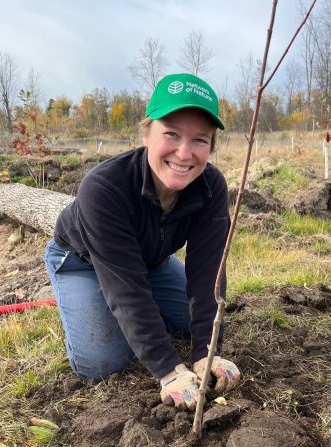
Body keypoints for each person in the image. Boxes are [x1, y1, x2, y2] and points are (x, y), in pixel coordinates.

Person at [44, 73, 240, 411]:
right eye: (171, 134)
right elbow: (126, 289)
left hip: (151, 263)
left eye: (200, 140)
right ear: (146, 133)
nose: (184, 153)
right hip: (81, 262)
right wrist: (168, 370)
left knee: (188, 322)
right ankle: (83, 302)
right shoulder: (105, 187)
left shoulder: (211, 187)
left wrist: (208, 353)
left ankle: (140, 319)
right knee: (104, 361)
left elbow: (208, 272)